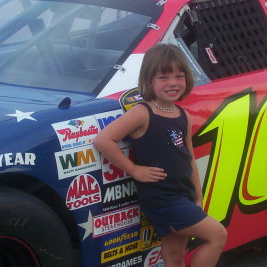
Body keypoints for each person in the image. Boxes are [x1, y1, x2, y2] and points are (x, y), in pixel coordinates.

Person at [94, 43, 227, 267]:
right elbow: (103, 140)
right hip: (163, 199)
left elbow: (189, 157)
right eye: (164, 77)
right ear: (149, 81)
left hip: (182, 195)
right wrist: (134, 169)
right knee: (217, 235)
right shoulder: (142, 112)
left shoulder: (181, 114)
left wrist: (198, 196)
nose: (173, 83)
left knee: (175, 253)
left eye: (179, 76)